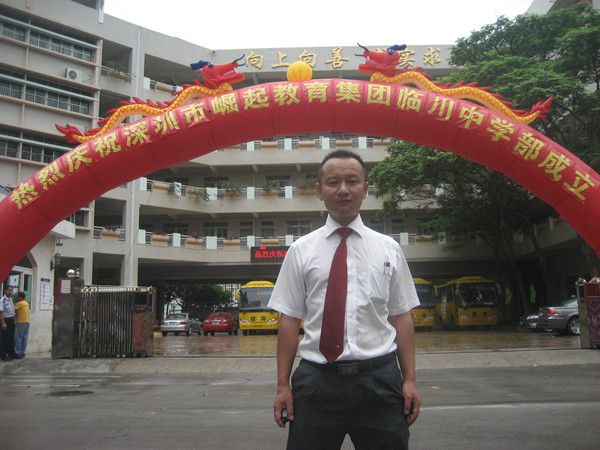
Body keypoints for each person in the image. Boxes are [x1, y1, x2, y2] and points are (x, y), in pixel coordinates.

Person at [269, 150, 421, 449]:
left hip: (379, 380)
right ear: (319, 190)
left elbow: (401, 316)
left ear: (365, 189)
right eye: (333, 182)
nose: (343, 189)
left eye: (352, 181)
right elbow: (289, 319)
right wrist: (283, 385)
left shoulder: (388, 249)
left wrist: (410, 380)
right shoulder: (301, 250)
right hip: (316, 383)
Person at [0, 285, 17, 361]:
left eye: (12, 291)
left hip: (11, 320)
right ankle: (3, 355)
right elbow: (1, 313)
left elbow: (12, 312)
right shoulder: (2, 300)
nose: (11, 292)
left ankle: (12, 354)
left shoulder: (10, 300)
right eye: (9, 290)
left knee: (11, 338)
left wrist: (14, 321)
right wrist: (3, 323)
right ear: (5, 291)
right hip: (5, 320)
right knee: (4, 339)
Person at [14, 291, 30, 359]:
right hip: (27, 322)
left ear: (20, 297)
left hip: (21, 322)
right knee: (25, 337)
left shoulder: (19, 304)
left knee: (18, 338)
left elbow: (12, 310)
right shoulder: (26, 303)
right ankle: (23, 351)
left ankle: (18, 352)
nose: (17, 298)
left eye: (18, 296)